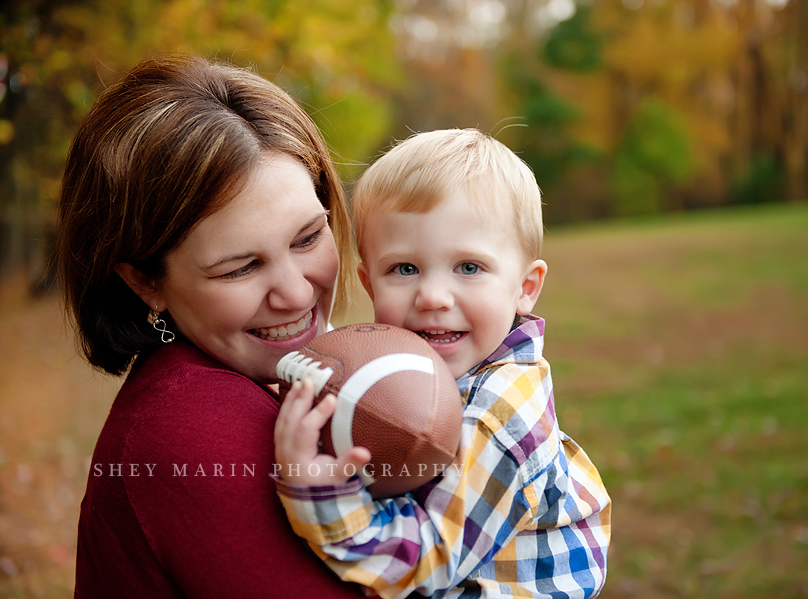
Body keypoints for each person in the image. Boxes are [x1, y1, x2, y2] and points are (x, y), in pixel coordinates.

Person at [57, 53, 387, 598]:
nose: (299, 293)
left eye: (308, 237)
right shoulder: (189, 429)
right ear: (145, 282)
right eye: (241, 267)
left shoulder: (264, 386)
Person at [274, 129, 612, 598]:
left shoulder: (500, 412)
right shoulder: (398, 371)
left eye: (469, 267)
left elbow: (428, 558)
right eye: (404, 269)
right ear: (371, 286)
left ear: (525, 287)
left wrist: (318, 492)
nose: (433, 297)